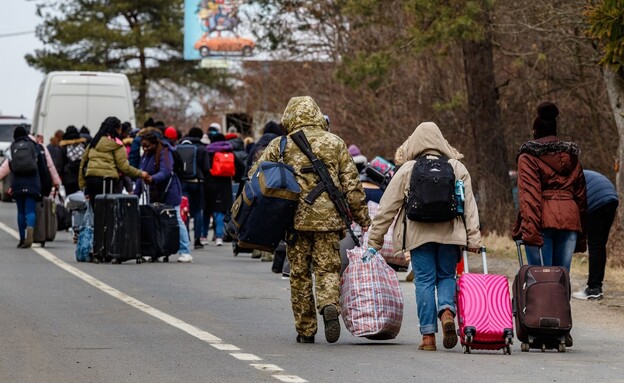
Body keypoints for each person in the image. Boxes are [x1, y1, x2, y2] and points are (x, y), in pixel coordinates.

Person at [249, 96, 370, 344]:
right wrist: (362, 217)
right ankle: (328, 304)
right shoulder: (335, 143)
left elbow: (255, 175)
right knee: (327, 268)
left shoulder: (280, 144)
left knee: (300, 273)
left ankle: (305, 329)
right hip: (328, 220)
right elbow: (352, 186)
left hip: (293, 219)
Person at [367, 121, 482, 351]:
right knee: (447, 276)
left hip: (419, 235)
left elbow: (387, 207)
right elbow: (470, 206)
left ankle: (428, 337)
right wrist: (474, 238)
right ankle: (447, 311)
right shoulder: (457, 168)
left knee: (425, 281)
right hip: (451, 234)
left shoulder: (408, 170)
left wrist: (375, 240)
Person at [512, 101, 587, 270]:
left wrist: (530, 233)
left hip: (542, 221)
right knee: (561, 277)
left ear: (535, 132)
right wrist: (582, 233)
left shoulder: (528, 157)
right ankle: (562, 297)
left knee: (542, 279)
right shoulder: (573, 157)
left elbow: (529, 196)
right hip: (570, 220)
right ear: (555, 131)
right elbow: (581, 197)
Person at [134, 131, 193, 263]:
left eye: (147, 146)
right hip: (154, 192)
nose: (145, 149)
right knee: (154, 222)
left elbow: (165, 172)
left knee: (176, 219)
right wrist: (136, 194)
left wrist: (152, 179)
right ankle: (157, 250)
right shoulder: (146, 155)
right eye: (143, 146)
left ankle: (185, 251)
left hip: (170, 191)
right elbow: (141, 174)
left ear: (155, 144)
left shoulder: (165, 153)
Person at [572, 170, 619, 300]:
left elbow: (575, 208)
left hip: (598, 202)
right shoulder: (580, 173)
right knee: (599, 245)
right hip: (611, 198)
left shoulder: (569, 178)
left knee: (595, 245)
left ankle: (593, 288)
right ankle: (597, 287)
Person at [0, 126, 49, 248]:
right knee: (30, 210)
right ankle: (30, 231)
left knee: (20, 211)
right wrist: (44, 185)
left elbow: (9, 166)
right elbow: (42, 167)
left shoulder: (12, 147)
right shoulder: (34, 146)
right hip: (32, 182)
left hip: (17, 183)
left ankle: (22, 239)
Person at [78, 117, 148, 202]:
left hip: (90, 180)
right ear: (117, 129)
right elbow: (124, 167)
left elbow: (83, 162)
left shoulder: (94, 141)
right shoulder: (117, 144)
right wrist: (141, 174)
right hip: (107, 181)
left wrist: (82, 184)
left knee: (96, 211)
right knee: (107, 211)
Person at [178, 127, 211, 250]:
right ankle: (198, 239)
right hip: (197, 183)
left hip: (183, 182)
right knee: (197, 211)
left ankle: (185, 237)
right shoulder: (202, 149)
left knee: (184, 210)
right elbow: (207, 168)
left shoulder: (179, 147)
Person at [203, 133, 234, 246]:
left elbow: (204, 167)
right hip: (224, 185)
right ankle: (219, 237)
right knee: (220, 211)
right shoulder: (229, 151)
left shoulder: (208, 151)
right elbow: (240, 166)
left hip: (209, 183)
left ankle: (203, 236)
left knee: (207, 210)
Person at [59, 125, 87, 196]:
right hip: (81, 177)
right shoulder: (83, 145)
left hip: (68, 178)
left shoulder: (64, 147)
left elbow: (61, 163)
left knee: (70, 200)